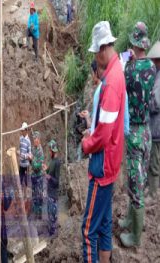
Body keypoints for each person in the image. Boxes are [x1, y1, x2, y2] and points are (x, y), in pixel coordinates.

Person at [82, 21, 126, 263]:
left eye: (95, 54)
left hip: (102, 164)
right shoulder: (117, 71)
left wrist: (86, 143)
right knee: (105, 223)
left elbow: (103, 135)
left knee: (88, 231)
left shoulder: (110, 84)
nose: (95, 62)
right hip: (112, 162)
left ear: (101, 49)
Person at [119, 22, 156, 248]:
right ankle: (131, 219)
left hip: (133, 131)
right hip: (147, 131)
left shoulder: (129, 70)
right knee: (140, 181)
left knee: (134, 183)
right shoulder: (152, 67)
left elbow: (123, 91)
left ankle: (135, 237)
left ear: (133, 43)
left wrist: (126, 61)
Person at [146, 40, 160, 199]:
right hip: (155, 126)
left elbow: (155, 104)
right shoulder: (156, 76)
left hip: (157, 128)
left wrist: (146, 101)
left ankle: (154, 193)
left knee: (154, 163)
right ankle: (151, 189)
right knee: (153, 160)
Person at [43, 139, 60, 236]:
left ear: (53, 151)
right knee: (50, 213)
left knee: (53, 214)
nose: (49, 152)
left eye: (50, 150)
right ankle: (51, 231)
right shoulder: (52, 161)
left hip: (53, 193)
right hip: (50, 192)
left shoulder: (57, 163)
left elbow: (57, 181)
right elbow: (49, 170)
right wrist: (46, 168)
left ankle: (53, 234)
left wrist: (49, 177)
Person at [30, 131, 44, 220]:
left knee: (39, 196)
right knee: (34, 195)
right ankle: (35, 213)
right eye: (34, 139)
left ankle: (39, 215)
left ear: (39, 140)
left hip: (38, 176)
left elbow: (38, 166)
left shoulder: (40, 151)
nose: (34, 140)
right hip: (33, 176)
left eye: (36, 139)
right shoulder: (33, 148)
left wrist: (32, 160)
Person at [19, 122, 32, 188]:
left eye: (23, 130)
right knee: (20, 180)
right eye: (21, 131)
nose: (22, 132)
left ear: (26, 130)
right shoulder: (20, 138)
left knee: (27, 181)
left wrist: (23, 156)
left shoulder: (28, 141)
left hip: (26, 164)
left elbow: (30, 154)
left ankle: (27, 195)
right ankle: (21, 194)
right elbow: (20, 148)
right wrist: (19, 153)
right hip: (21, 164)